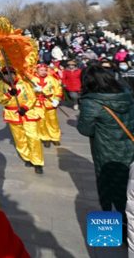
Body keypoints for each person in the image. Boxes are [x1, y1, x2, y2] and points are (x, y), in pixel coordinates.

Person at [77, 65, 134, 241]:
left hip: (107, 152)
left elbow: (85, 129)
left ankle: (111, 235)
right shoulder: (127, 94)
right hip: (130, 148)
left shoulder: (91, 102)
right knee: (128, 189)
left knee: (109, 191)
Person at [0, 67, 44, 174]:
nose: (9, 76)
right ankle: (27, 157)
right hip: (13, 115)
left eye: (11, 74)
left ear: (14, 74)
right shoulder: (0, 85)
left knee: (33, 137)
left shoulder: (24, 83)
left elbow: (32, 98)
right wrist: (8, 94)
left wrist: (25, 107)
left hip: (27, 113)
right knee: (19, 139)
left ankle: (37, 162)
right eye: (6, 74)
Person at [31, 64, 63, 148]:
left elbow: (58, 90)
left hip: (50, 102)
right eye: (41, 70)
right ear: (37, 71)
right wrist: (33, 90)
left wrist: (56, 99)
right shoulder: (32, 80)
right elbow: (27, 91)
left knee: (53, 121)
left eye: (45, 70)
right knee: (41, 121)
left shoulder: (52, 79)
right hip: (37, 103)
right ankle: (46, 138)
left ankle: (55, 137)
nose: (43, 72)